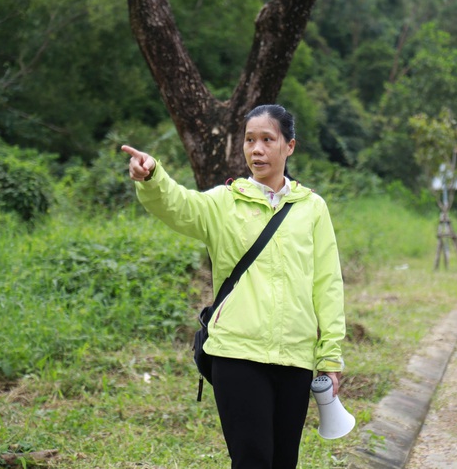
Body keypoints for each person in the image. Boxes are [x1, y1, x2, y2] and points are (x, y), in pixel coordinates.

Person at [122, 104, 347, 469]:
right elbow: (180, 206)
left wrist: (330, 355)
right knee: (252, 458)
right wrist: (152, 177)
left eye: (266, 140)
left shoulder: (312, 208)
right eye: (249, 140)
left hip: (295, 355)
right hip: (236, 353)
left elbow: (328, 285)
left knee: (283, 461)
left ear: (289, 146)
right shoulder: (224, 202)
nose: (256, 149)